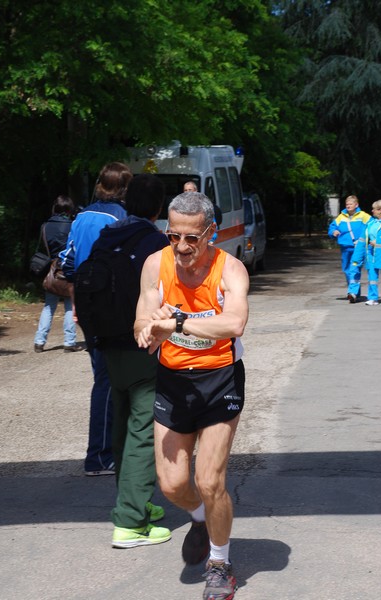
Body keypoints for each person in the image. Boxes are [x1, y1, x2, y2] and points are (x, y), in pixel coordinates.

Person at [135, 192, 249, 600]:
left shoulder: (230, 269)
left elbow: (234, 322)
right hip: (173, 381)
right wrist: (148, 330)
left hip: (220, 379)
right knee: (172, 485)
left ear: (211, 234)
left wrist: (178, 322)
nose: (181, 247)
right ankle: (200, 518)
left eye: (192, 238)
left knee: (209, 478)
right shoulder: (155, 265)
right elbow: (141, 321)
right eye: (173, 236)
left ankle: (220, 563)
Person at [90, 174, 172, 548]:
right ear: (159, 207)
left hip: (107, 343)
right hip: (143, 344)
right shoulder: (156, 243)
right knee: (143, 432)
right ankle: (131, 523)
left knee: (123, 428)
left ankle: (134, 502)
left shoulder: (108, 236)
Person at [60, 162, 132, 476]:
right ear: (124, 189)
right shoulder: (121, 219)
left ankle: (108, 451)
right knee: (110, 380)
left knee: (104, 376)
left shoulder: (81, 217)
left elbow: (67, 262)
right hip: (113, 307)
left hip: (88, 307)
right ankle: (100, 456)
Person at [34, 195, 78, 353]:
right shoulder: (73, 225)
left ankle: (39, 341)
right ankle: (69, 342)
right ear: (69, 209)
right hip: (67, 268)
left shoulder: (45, 226)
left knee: (48, 307)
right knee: (69, 306)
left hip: (51, 271)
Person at [328, 194, 371, 300]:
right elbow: (332, 227)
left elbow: (373, 227)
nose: (348, 206)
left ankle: (352, 291)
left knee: (354, 268)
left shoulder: (363, 216)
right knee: (347, 270)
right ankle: (355, 292)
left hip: (359, 248)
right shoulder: (341, 216)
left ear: (356, 205)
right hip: (345, 247)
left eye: (350, 204)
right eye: (347, 204)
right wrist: (333, 232)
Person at [348, 199, 381, 305]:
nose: (372, 211)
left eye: (374, 209)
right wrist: (356, 258)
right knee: (372, 278)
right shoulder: (370, 224)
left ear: (380, 210)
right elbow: (361, 241)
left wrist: (377, 243)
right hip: (371, 254)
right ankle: (373, 298)